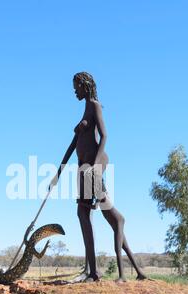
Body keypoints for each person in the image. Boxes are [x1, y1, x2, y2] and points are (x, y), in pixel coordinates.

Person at [49, 72, 147, 283]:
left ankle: (94, 272)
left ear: (85, 85)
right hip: (82, 168)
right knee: (85, 212)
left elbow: (104, 136)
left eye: (76, 86)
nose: (74, 90)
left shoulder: (94, 105)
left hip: (92, 166)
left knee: (96, 211)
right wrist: (58, 173)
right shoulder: (85, 109)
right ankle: (94, 271)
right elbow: (72, 145)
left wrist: (94, 167)